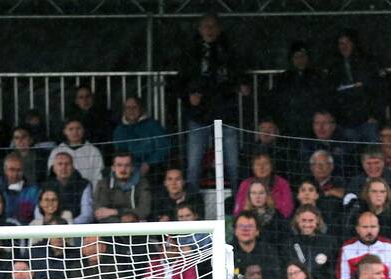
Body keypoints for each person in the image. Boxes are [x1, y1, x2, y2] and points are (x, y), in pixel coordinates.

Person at [177, 12, 248, 192]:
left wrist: (242, 85)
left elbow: (240, 74)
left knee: (233, 164)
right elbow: (179, 83)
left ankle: (238, 206)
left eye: (213, 26)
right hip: (198, 116)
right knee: (193, 165)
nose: (209, 30)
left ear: (219, 29)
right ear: (199, 29)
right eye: (206, 26)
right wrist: (188, 97)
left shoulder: (229, 50)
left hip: (226, 113)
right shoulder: (190, 52)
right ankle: (191, 208)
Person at [326, 29, 385, 143]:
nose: (344, 46)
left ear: (354, 44)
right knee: (349, 156)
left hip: (368, 120)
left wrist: (375, 115)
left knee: (372, 154)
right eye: (341, 43)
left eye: (347, 43)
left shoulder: (368, 62)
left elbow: (379, 90)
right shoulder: (335, 65)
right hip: (345, 121)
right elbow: (331, 93)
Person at [267, 41, 325, 138]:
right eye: (296, 57)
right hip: (289, 126)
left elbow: (321, 100)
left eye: (303, 56)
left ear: (307, 58)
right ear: (291, 59)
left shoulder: (316, 77)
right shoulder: (282, 79)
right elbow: (275, 102)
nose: (300, 60)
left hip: (311, 126)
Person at [336, 211, 391, 279]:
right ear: (357, 229)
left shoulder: (390, 247)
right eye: (365, 227)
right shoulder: (347, 248)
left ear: (379, 228)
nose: (369, 231)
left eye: (373, 227)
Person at [282, 206, 338, 279]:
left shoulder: (329, 243)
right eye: (303, 220)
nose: (307, 224)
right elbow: (286, 272)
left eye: (311, 220)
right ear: (297, 220)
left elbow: (333, 273)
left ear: (317, 221)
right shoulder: (289, 244)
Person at [112, 96, 169, 181]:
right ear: (124, 111)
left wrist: (149, 163)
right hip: (129, 169)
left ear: (141, 109)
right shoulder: (119, 130)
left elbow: (164, 148)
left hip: (154, 169)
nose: (131, 110)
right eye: (128, 108)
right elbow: (120, 152)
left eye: (134, 107)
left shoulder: (153, 125)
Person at [0, 152, 40, 224]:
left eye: (19, 170)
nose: (15, 174)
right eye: (12, 169)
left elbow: (39, 216)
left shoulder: (33, 191)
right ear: (5, 170)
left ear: (23, 170)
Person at [346, 146, 391, 214]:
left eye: (376, 163)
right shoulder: (356, 182)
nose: (373, 167)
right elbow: (348, 206)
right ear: (362, 164)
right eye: (369, 163)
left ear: (383, 162)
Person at [93, 151, 152, 223]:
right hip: (111, 230)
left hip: (136, 229)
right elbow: (99, 214)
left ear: (132, 167)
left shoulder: (142, 183)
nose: (123, 169)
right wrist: (121, 221)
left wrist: (116, 212)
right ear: (113, 168)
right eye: (119, 165)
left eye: (127, 165)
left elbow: (144, 211)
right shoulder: (103, 184)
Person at [46, 119, 105, 189]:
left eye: (78, 128)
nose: (75, 132)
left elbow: (98, 176)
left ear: (83, 130)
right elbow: (52, 176)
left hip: (88, 192)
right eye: (71, 129)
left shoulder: (93, 151)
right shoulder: (56, 151)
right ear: (64, 131)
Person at [231, 210, 281, 279]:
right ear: (235, 231)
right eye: (241, 226)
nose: (245, 230)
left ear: (257, 231)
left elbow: (275, 278)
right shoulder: (227, 251)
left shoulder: (268, 251)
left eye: (250, 226)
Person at [234, 153, 294, 219]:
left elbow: (287, 210)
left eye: (265, 164)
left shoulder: (282, 183)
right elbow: (238, 212)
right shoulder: (245, 184)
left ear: (271, 166)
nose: (261, 167)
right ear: (253, 167)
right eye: (258, 164)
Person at [41, 151, 94, 224]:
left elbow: (87, 215)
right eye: (60, 164)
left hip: (76, 229)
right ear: (54, 168)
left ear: (73, 167)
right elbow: (38, 211)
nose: (63, 167)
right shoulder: (46, 185)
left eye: (67, 164)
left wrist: (68, 224)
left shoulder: (84, 184)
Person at [233, 180, 288, 246]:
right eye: (254, 193)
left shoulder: (277, 216)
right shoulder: (242, 218)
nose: (257, 196)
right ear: (249, 196)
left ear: (267, 195)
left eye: (261, 193)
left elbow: (286, 239)